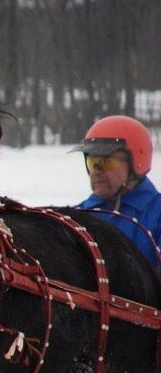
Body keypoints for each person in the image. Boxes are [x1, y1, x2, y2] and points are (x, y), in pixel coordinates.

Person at [73, 114, 161, 267]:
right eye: (92, 161)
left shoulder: (156, 216)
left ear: (136, 164)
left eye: (107, 162)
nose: (96, 171)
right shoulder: (76, 216)